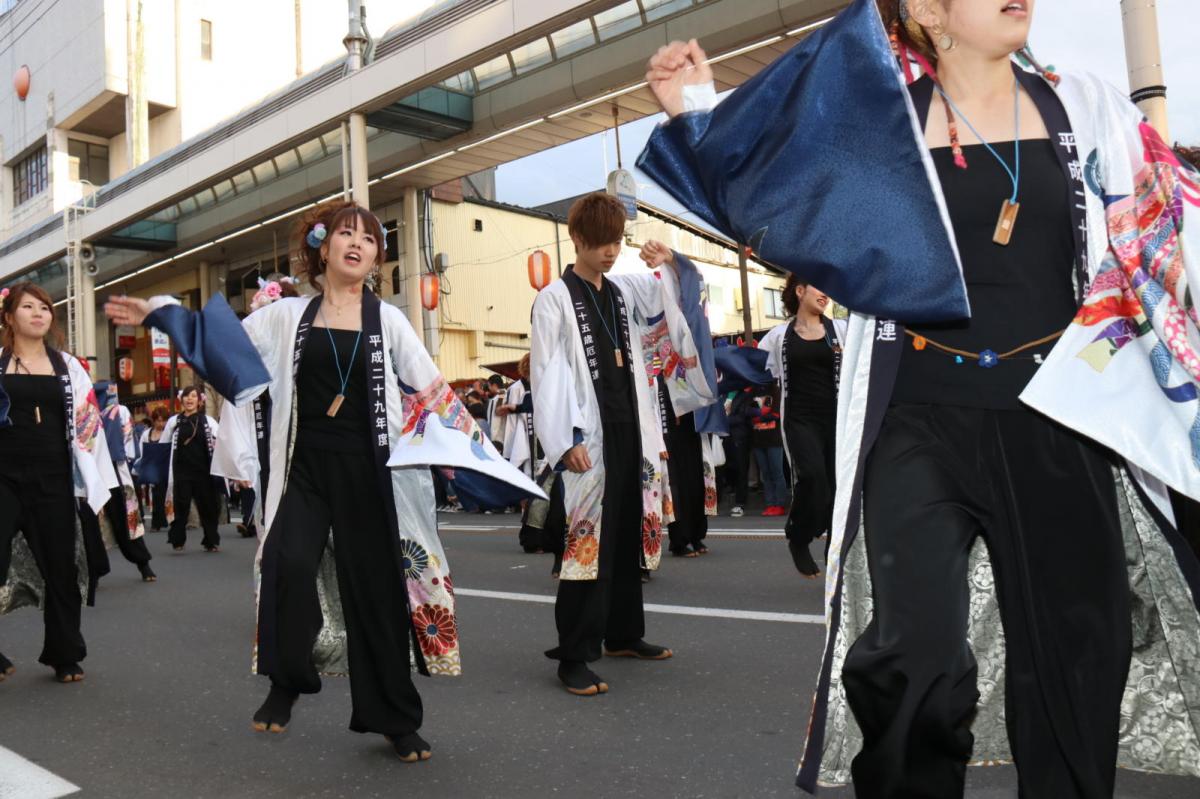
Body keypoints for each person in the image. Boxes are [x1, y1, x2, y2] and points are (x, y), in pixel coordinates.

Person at [639, 0, 1200, 795]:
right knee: (912, 653)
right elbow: (777, 190)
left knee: (1079, 648)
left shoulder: (1084, 104)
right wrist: (699, 106)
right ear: (930, 11)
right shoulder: (883, 125)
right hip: (918, 415)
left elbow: (1174, 230)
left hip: (1061, 418)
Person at [105, 199, 539, 763]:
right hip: (304, 466)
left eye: (369, 237)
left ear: (375, 256)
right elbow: (225, 343)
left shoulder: (389, 320)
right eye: (345, 233)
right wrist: (161, 313)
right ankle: (287, 682)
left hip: (369, 470)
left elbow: (433, 392)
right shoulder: (288, 317)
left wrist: (480, 459)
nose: (358, 243)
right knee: (285, 563)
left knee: (378, 592)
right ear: (322, 245)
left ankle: (394, 719)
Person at [529, 195, 716, 696]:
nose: (610, 252)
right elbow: (546, 372)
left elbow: (673, 296)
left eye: (616, 241)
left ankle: (624, 633)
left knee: (628, 531)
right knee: (588, 542)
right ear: (577, 240)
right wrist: (564, 440)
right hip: (587, 434)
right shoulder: (554, 298)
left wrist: (669, 260)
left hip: (632, 427)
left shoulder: (624, 291)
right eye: (600, 242)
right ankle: (574, 654)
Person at [0, 282, 118, 684]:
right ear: (9, 316)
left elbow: (88, 425)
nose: (39, 313)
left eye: (45, 308)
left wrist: (93, 485)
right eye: (28, 306)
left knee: (61, 568)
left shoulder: (68, 366)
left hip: (54, 480)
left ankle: (64, 653)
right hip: (4, 477)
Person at [758, 277, 846, 577]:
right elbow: (754, 369)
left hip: (837, 419)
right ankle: (798, 535)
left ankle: (834, 550)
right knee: (812, 478)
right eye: (819, 286)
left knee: (838, 490)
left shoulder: (841, 331)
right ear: (800, 291)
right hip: (799, 420)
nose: (826, 293)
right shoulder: (778, 337)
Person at [94, 380, 156, 581]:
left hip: (102, 471)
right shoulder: (117, 411)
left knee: (96, 522)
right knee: (126, 520)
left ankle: (95, 571)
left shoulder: (91, 413)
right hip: (114, 469)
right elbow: (130, 446)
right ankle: (142, 564)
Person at [161, 386, 222, 553]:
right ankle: (177, 540)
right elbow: (164, 445)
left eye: (193, 396)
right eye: (187, 396)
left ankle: (211, 540)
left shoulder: (208, 421)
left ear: (199, 401)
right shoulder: (174, 422)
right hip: (181, 472)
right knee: (181, 506)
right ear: (182, 400)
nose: (189, 399)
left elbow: (221, 443)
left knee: (208, 507)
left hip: (204, 472)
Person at [747, 387, 787, 518]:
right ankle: (770, 504)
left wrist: (757, 417)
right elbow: (747, 412)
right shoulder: (753, 390)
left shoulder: (775, 390)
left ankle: (780, 504)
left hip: (774, 440)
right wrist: (763, 413)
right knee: (766, 473)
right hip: (758, 440)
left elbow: (776, 415)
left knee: (777, 472)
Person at [137, 407, 171, 530]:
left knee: (166, 495)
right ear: (154, 420)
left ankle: (166, 520)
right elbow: (142, 450)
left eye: (163, 421)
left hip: (166, 467)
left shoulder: (169, 433)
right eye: (158, 420)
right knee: (156, 496)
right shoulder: (147, 434)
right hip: (152, 467)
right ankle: (157, 522)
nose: (160, 423)